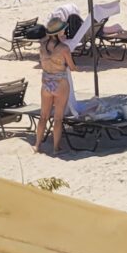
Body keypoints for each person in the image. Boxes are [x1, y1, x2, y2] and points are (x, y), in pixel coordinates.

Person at [33, 16, 77, 153]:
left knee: (43, 116)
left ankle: (37, 145)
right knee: (58, 118)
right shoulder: (64, 48)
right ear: (58, 32)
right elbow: (72, 66)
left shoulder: (42, 45)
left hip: (46, 81)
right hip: (60, 82)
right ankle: (56, 147)